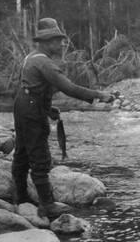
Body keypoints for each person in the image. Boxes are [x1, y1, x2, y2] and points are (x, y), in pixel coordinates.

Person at [11, 18, 115, 219]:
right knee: (39, 156)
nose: (61, 44)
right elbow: (69, 88)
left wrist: (48, 108)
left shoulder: (31, 58)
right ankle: (47, 205)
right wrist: (100, 95)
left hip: (23, 105)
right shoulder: (44, 62)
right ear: (47, 41)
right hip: (31, 109)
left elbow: (31, 87)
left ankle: (21, 196)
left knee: (22, 151)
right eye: (57, 40)